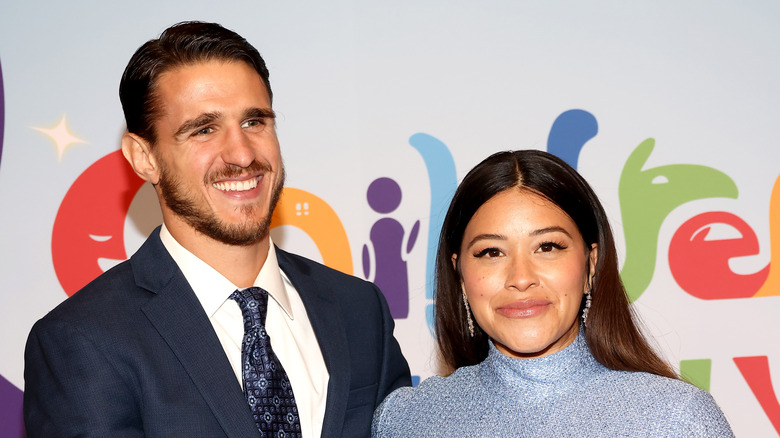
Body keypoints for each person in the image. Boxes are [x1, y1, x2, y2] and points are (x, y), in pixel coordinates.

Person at [24, 21, 410, 438]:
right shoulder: (84, 340)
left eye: (254, 122)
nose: (242, 154)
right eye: (204, 129)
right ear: (143, 157)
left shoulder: (359, 309)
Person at [372, 150, 734, 436]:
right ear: (461, 276)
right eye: (491, 252)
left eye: (547, 247)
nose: (521, 277)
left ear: (591, 265)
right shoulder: (407, 420)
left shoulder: (676, 420)